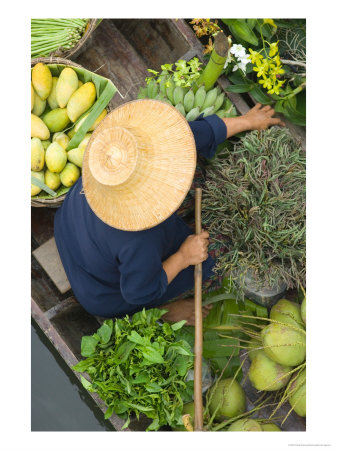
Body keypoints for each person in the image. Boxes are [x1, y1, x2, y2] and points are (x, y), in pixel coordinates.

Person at [54, 100, 285, 325]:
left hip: (71, 226)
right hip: (105, 291)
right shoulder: (137, 237)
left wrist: (247, 121)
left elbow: (192, 137)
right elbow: (139, 291)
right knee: (218, 254)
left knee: (195, 172)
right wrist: (183, 257)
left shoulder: (117, 157)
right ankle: (166, 311)